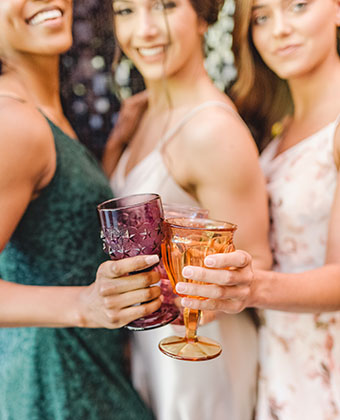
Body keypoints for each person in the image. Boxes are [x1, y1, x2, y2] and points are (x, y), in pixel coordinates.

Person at [102, 1, 272, 419]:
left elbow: (260, 262)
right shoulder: (142, 113)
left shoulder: (211, 131)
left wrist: (193, 299)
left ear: (203, 16)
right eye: (125, 11)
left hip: (200, 361)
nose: (143, 30)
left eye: (164, 6)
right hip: (153, 350)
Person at [175, 1, 340, 419]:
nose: (278, 30)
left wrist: (250, 288)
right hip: (281, 360)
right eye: (262, 18)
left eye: (298, 7)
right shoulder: (275, 124)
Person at [0, 1, 163, 419]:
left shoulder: (44, 113)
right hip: (53, 382)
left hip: (91, 368)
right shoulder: (13, 123)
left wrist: (111, 154)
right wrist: (84, 305)